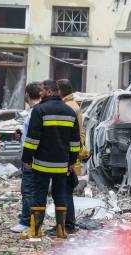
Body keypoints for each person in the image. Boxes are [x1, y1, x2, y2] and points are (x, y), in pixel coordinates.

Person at [22, 80, 81, 239]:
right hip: (61, 166)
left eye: (42, 91)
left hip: (41, 164)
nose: (39, 94)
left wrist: (27, 158)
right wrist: (71, 162)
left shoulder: (39, 110)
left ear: (49, 91)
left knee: (39, 196)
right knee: (60, 195)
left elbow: (32, 139)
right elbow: (75, 143)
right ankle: (61, 230)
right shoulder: (70, 112)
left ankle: (35, 231)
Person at [10, 82, 42, 233]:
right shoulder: (34, 111)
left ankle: (26, 221)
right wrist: (21, 133)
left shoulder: (36, 112)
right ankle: (32, 221)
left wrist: (28, 158)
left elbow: (34, 137)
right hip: (34, 156)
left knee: (28, 189)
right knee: (33, 189)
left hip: (31, 157)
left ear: (26, 94)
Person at [57, 79, 86, 233]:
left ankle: (67, 224)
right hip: (72, 155)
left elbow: (70, 134)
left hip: (68, 156)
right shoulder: (73, 105)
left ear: (61, 91)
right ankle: (67, 223)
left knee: (65, 190)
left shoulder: (68, 107)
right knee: (66, 190)